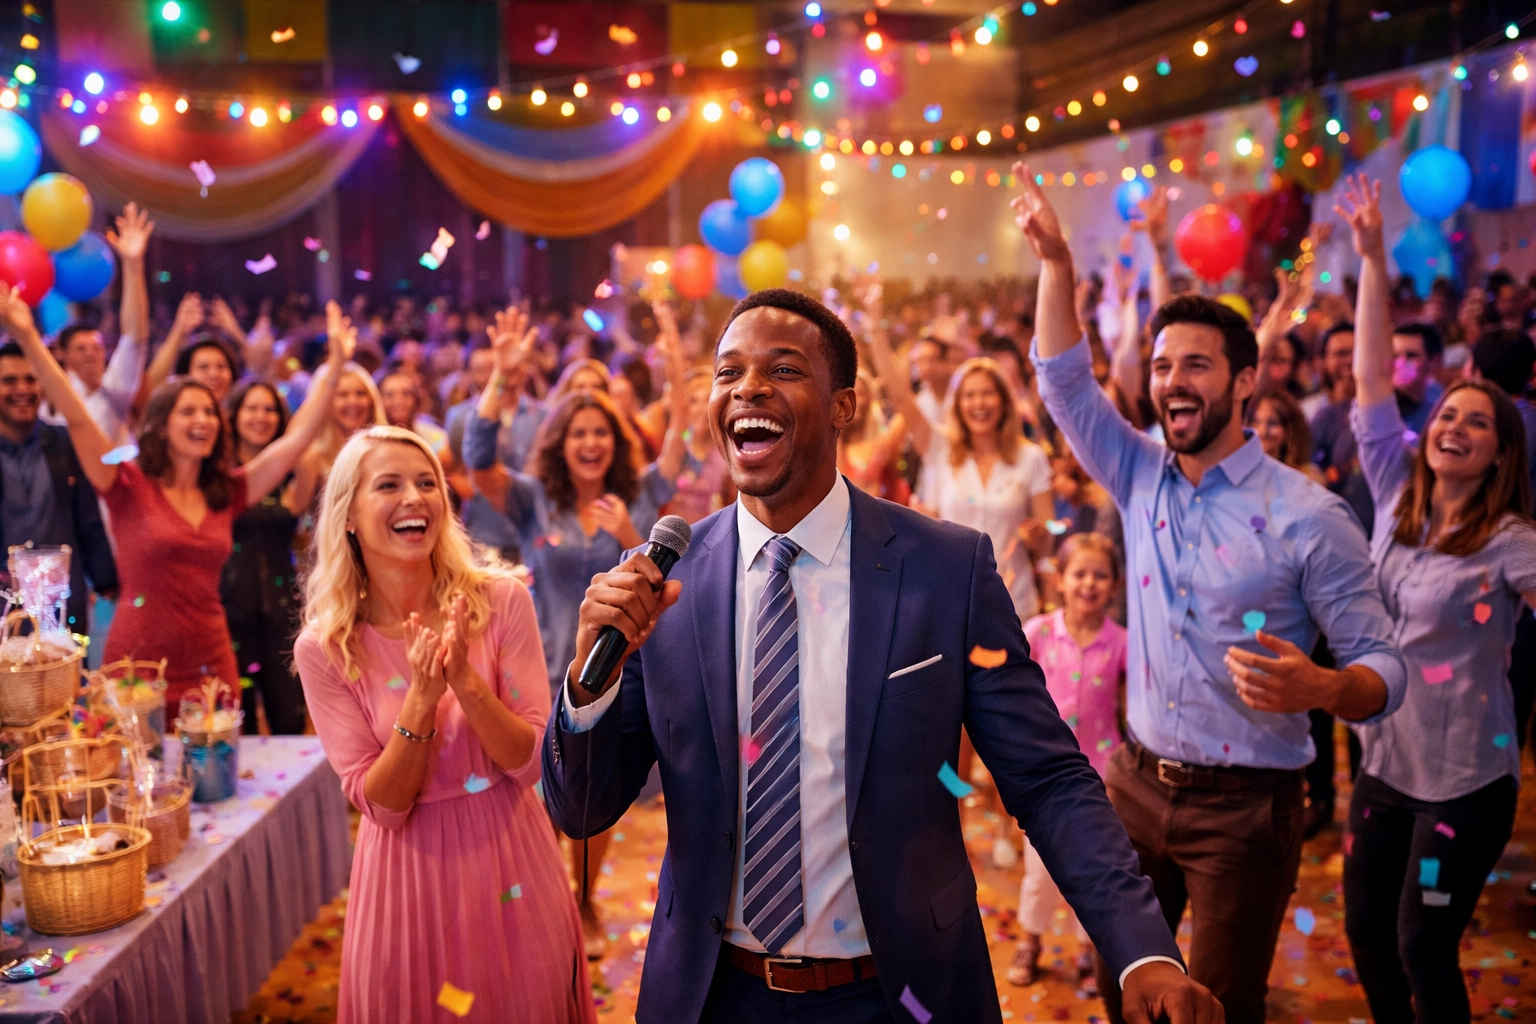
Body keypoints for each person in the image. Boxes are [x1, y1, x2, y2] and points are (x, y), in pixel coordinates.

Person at [542, 286, 1221, 1024]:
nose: (749, 389)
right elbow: (583, 808)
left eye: (784, 370)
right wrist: (589, 680)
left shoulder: (944, 569)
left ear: (844, 406)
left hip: (899, 993)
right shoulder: (661, 582)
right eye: (728, 371)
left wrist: (1142, 949)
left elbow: (1048, 778)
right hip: (712, 994)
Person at [1015, 162, 1405, 1024]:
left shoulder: (1310, 515)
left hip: (1246, 811)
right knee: (1129, 994)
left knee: (1218, 1009)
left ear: (1245, 382)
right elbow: (1065, 382)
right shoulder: (1138, 473)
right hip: (1134, 784)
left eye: (1196, 365)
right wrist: (1057, 268)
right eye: (1161, 367)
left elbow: (1384, 666)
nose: (1172, 382)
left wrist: (1327, 688)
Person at [294, 425, 595, 1024]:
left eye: (427, 483)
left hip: (511, 859)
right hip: (406, 882)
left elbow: (532, 760)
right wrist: (420, 703)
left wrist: (466, 682)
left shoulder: (502, 600)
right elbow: (382, 805)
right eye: (389, 485)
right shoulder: (325, 648)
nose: (415, 497)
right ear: (348, 515)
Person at [1335, 174, 1536, 1024]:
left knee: (1423, 944)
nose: (1454, 426)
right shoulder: (1394, 494)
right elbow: (1372, 381)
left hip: (1464, 784)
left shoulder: (1513, 542)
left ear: (1498, 453)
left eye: (1477, 422)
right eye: (1447, 414)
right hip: (1383, 770)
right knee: (1367, 937)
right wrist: (1372, 259)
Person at [2, 291, 353, 708]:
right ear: (162, 425)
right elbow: (77, 415)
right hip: (136, 663)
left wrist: (334, 368)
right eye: (188, 412)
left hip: (212, 660)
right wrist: (26, 335)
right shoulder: (125, 483)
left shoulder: (227, 492)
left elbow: (295, 440)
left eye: (208, 412)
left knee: (217, 772)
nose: (202, 420)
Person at [465, 306, 682, 960]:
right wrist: (501, 381)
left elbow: (662, 578)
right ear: (560, 441)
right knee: (538, 797)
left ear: (616, 441)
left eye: (602, 433)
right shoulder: (534, 499)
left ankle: (582, 898)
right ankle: (550, 895)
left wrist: (627, 538)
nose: (591, 443)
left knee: (591, 796)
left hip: (614, 676)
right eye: (578, 433)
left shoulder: (640, 496)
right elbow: (479, 461)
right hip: (541, 668)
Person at [870, 322, 1054, 623]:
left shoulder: (1030, 458)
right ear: (958, 403)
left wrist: (1040, 537)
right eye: (969, 395)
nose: (978, 403)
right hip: (950, 601)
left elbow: (1047, 541)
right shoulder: (941, 448)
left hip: (1013, 604)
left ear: (1005, 402)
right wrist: (876, 326)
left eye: (987, 394)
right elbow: (902, 399)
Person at [1007, 533, 1127, 994]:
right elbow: (1014, 695)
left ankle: (1087, 950)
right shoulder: (1038, 632)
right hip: (1045, 775)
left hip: (1102, 773)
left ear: (1114, 585)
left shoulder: (1121, 643)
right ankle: (1030, 940)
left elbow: (1130, 708)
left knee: (1095, 864)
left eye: (1100, 575)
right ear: (1060, 579)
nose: (1089, 584)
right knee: (1041, 869)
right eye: (1080, 573)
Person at [0, 341, 117, 633]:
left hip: (63, 606)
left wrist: (107, 579)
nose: (22, 390)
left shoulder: (63, 441)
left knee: (68, 678)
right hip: (3, 609)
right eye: (9, 381)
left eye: (31, 379)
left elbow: (87, 518)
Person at [221, 379, 317, 734]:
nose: (261, 417)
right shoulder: (218, 472)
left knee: (289, 711)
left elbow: (301, 494)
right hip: (229, 605)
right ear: (234, 415)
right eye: (252, 408)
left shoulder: (293, 470)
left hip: (282, 604)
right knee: (236, 714)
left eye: (269, 409)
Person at [41, 203, 154, 446]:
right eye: (81, 349)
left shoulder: (116, 388)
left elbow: (134, 338)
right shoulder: (48, 396)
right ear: (61, 354)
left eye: (97, 348)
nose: (92, 355)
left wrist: (133, 265)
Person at [1247, 389, 1326, 484]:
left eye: (1273, 422)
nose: (1262, 431)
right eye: (1255, 422)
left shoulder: (1308, 478)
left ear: (1290, 430)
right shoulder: (1240, 474)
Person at [1391, 322, 1444, 439]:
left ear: (1434, 362)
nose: (1400, 363)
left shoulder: (1442, 405)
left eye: (1411, 356)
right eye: (1394, 356)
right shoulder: (1378, 400)